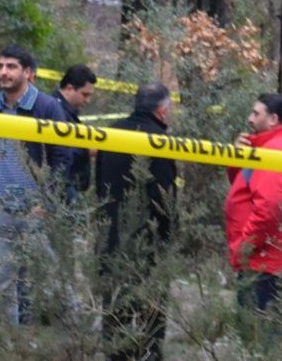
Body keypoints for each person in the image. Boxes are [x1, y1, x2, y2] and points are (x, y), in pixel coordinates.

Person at [0, 45, 78, 325]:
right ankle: (7, 342)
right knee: (4, 278)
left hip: (38, 208)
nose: (3, 72)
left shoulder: (47, 107)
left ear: (28, 73)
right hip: (4, 207)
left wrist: (47, 202)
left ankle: (76, 333)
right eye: (0, 66)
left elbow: (62, 158)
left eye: (11, 66)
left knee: (52, 274)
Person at [94, 82, 177, 361]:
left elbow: (99, 189)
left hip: (110, 240)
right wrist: (167, 242)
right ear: (162, 111)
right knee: (148, 323)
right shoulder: (160, 142)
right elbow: (165, 202)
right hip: (146, 247)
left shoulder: (110, 133)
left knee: (115, 319)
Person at [224, 93, 282, 330]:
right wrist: (237, 158)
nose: (249, 119)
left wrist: (244, 246)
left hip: (265, 262)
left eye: (256, 113)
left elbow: (269, 208)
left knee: (256, 340)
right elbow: (244, 187)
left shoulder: (278, 150)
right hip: (267, 259)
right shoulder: (270, 147)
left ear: (273, 119)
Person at [53, 64, 98, 195]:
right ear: (69, 89)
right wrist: (86, 150)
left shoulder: (66, 111)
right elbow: (57, 149)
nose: (88, 100)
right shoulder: (54, 111)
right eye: (85, 94)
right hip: (61, 188)